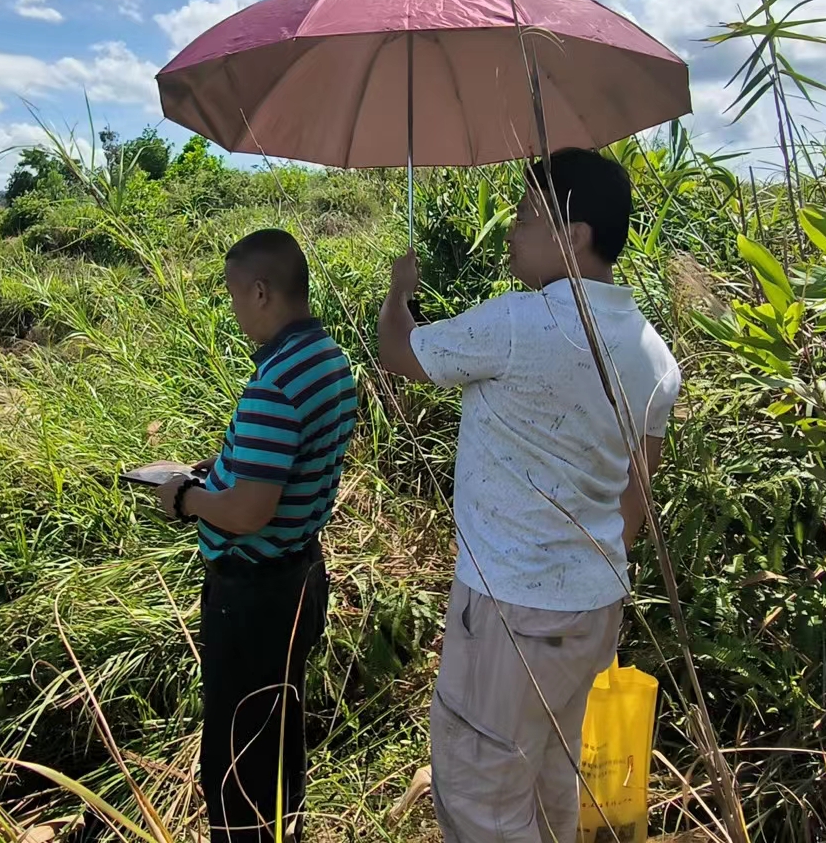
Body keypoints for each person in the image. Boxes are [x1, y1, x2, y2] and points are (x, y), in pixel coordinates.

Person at [377, 148, 681, 843]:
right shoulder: (653, 353)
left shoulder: (519, 323)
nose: (511, 232)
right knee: (552, 780)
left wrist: (399, 293)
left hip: (512, 610)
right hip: (594, 605)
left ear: (572, 236)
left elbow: (400, 353)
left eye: (523, 215)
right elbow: (637, 497)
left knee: (481, 795)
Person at [156, 228, 357, 843]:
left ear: (262, 292)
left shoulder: (273, 383)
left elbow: (248, 511)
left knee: (237, 748)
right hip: (300, 574)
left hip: (253, 594)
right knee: (277, 726)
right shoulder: (328, 359)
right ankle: (282, 829)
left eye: (235, 295)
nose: (235, 308)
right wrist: (217, 476)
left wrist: (187, 497)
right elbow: (276, 472)